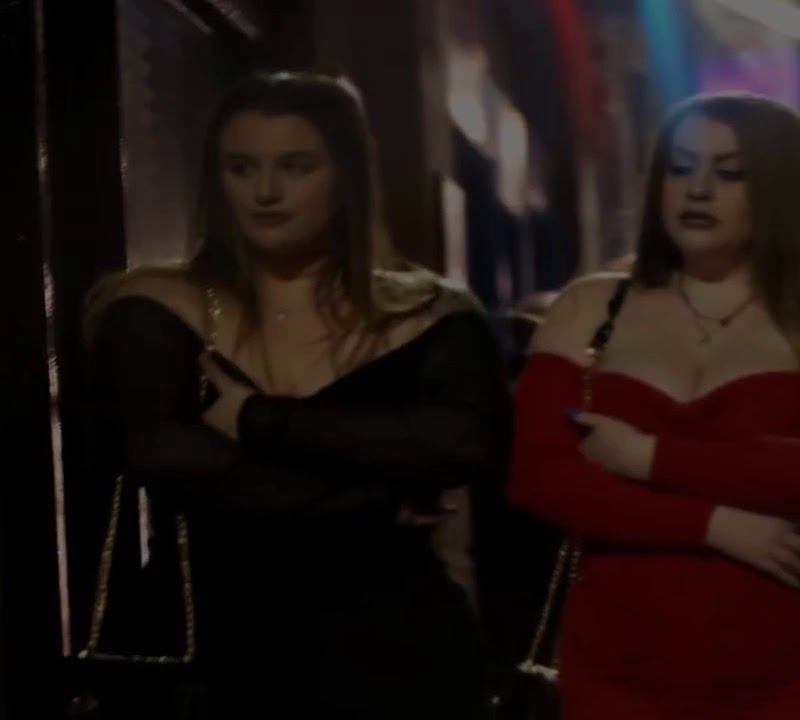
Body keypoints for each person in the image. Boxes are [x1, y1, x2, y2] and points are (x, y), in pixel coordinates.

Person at [84, 71, 508, 718]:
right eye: (241, 168)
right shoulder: (157, 309)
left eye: (296, 166)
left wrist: (258, 420)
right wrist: (375, 503)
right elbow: (173, 460)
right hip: (215, 656)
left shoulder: (427, 314)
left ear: (346, 175)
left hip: (398, 657)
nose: (266, 191)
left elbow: (463, 446)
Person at [507, 92, 800, 720]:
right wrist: (716, 525)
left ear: (784, 191)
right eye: (680, 167)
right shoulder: (590, 308)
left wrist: (647, 457)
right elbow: (540, 477)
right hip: (621, 674)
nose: (697, 189)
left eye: (730, 173)